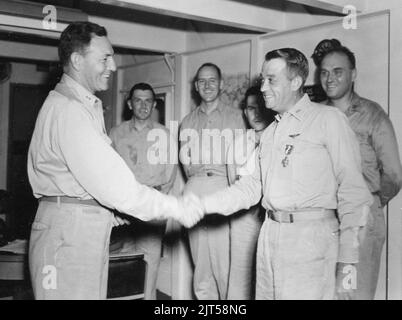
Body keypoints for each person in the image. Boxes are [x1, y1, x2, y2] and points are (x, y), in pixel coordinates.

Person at [27, 21, 202, 300]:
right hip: (70, 236)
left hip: (80, 230)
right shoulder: (70, 110)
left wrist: (112, 212)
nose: (114, 66)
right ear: (77, 60)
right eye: (104, 58)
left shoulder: (81, 106)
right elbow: (117, 187)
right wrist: (176, 207)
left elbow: (85, 183)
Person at [199, 48, 373, 300]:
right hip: (269, 235)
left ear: (296, 82)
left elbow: (354, 194)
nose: (263, 88)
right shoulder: (271, 132)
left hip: (310, 240)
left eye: (271, 80)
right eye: (262, 80)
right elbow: (251, 187)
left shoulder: (327, 120)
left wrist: (347, 262)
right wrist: (204, 204)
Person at [312, 39, 402, 299]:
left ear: (353, 74)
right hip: (325, 220)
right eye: (325, 72)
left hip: (361, 221)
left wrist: (367, 204)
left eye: (338, 71)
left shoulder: (372, 114)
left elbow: (394, 175)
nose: (330, 78)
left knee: (353, 294)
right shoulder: (317, 116)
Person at [179, 62, 246, 300]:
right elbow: (187, 166)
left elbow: (242, 164)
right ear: (196, 86)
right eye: (202, 81)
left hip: (223, 190)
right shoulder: (187, 122)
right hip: (194, 190)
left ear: (221, 84)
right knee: (201, 267)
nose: (207, 85)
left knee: (224, 266)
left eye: (212, 80)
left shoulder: (237, 118)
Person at [109, 82, 177, 300]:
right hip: (123, 209)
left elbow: (169, 175)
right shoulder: (116, 134)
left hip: (151, 206)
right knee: (122, 264)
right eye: (138, 100)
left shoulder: (164, 135)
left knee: (150, 264)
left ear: (154, 104)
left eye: (148, 100)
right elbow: (108, 172)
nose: (143, 105)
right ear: (130, 104)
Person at [226, 86, 275, 299]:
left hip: (272, 219)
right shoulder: (237, 143)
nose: (255, 114)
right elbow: (233, 183)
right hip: (245, 219)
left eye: (259, 108)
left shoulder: (279, 139)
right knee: (240, 277)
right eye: (250, 108)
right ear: (245, 112)